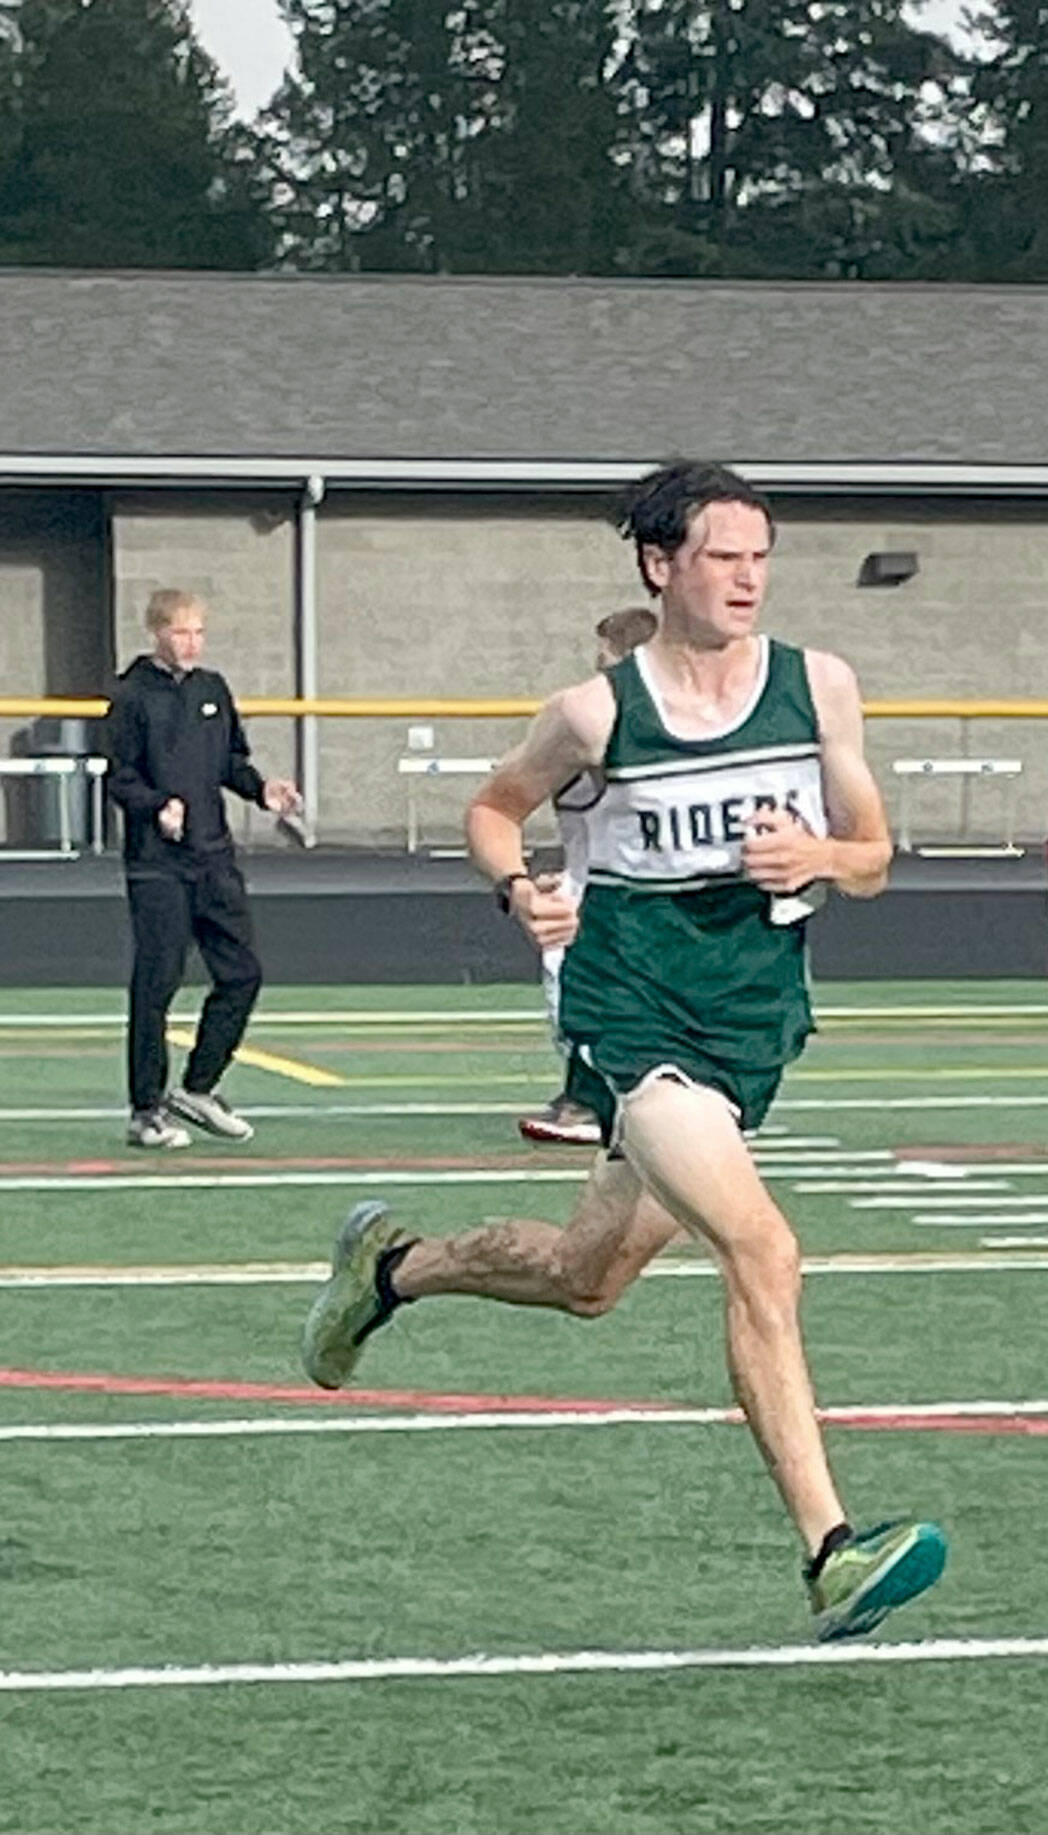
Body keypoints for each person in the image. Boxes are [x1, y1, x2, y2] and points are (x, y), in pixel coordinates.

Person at [302, 460, 947, 1642]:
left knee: (584, 1277)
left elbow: (874, 852)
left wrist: (820, 856)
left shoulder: (820, 688)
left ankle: (388, 1268)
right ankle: (831, 1550)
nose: (746, 576)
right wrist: (519, 889)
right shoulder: (599, 709)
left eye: (759, 555)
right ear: (660, 565)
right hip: (631, 1014)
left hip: (746, 1022)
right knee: (761, 1244)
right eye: (720, 554)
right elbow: (492, 806)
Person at [105, 589, 302, 1150]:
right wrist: (155, 807)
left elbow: (230, 763)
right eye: (181, 632)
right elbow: (119, 778)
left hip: (214, 859)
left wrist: (264, 790)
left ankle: (199, 1087)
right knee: (156, 985)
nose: (191, 642)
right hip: (157, 867)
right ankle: (146, 1110)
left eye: (198, 632)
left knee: (242, 974)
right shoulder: (130, 696)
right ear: (157, 633)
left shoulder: (212, 689)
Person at [519, 604, 658, 1147]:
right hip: (587, 881)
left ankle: (595, 1101)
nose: (597, 663)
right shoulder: (585, 721)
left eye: (606, 652)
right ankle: (593, 1096)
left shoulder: (621, 727)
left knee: (579, 994)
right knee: (576, 995)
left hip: (619, 892)